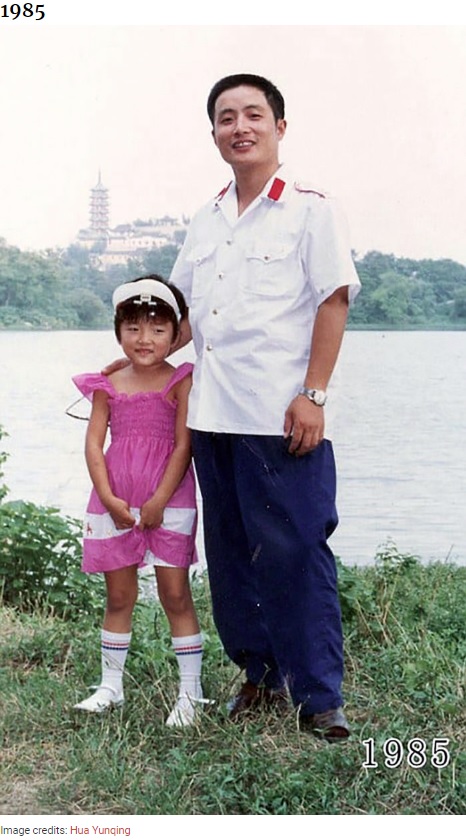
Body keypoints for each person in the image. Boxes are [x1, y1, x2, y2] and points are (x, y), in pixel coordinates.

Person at [169, 73, 361, 741]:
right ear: (215, 133)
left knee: (296, 550)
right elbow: (183, 314)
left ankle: (318, 697)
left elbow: (332, 300)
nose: (239, 126)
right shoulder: (205, 216)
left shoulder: (312, 209)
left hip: (280, 416)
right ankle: (260, 674)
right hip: (213, 415)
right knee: (228, 554)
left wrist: (314, 395)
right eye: (226, 117)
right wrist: (135, 359)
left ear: (281, 127)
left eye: (254, 114)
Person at [72, 275, 204, 727]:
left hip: (170, 500)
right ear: (118, 331)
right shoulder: (106, 383)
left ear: (175, 333)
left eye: (157, 329)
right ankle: (111, 686)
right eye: (132, 328)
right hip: (115, 501)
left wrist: (160, 500)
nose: (144, 339)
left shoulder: (181, 380)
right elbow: (93, 445)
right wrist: (108, 497)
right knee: (119, 595)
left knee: (175, 594)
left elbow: (184, 445)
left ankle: (190, 694)